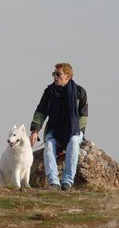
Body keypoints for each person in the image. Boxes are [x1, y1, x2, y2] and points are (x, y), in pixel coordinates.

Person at [29, 63, 88, 191]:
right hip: (54, 129)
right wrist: (35, 131)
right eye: (53, 74)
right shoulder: (49, 92)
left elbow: (83, 117)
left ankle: (67, 182)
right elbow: (41, 112)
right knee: (49, 145)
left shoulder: (79, 92)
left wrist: (76, 132)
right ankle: (54, 182)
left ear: (68, 76)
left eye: (58, 74)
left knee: (73, 141)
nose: (55, 77)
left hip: (74, 130)